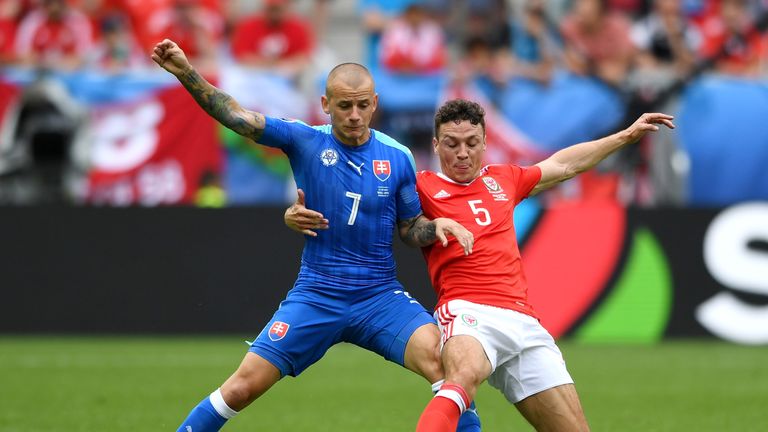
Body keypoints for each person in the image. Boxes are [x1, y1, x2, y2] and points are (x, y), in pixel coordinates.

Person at [151, 39, 482, 431]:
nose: (355, 115)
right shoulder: (304, 140)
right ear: (326, 105)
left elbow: (409, 230)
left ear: (375, 103)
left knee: (448, 366)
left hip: (379, 295)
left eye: (362, 105)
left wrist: (434, 226)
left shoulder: (397, 157)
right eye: (344, 105)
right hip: (318, 293)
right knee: (240, 388)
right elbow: (238, 117)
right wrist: (187, 72)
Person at [285, 99, 675, 431]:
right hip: (468, 311)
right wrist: (295, 214)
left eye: (472, 143)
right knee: (462, 377)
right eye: (452, 144)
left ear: (485, 143)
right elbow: (356, 199)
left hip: (524, 322)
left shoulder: (504, 179)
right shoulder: (419, 186)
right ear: (436, 145)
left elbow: (564, 165)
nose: (462, 153)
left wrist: (626, 135)